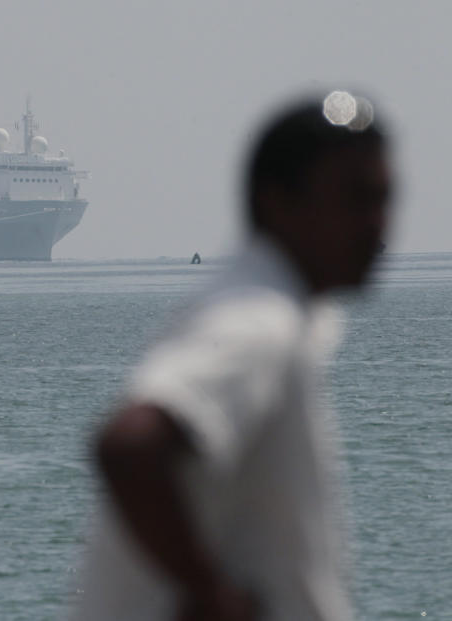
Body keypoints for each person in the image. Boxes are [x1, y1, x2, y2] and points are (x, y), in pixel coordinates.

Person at [72, 92, 392, 621]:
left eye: (383, 199)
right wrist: (212, 593)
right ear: (276, 202)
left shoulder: (260, 310)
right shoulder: (258, 323)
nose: (377, 224)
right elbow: (130, 445)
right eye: (355, 200)